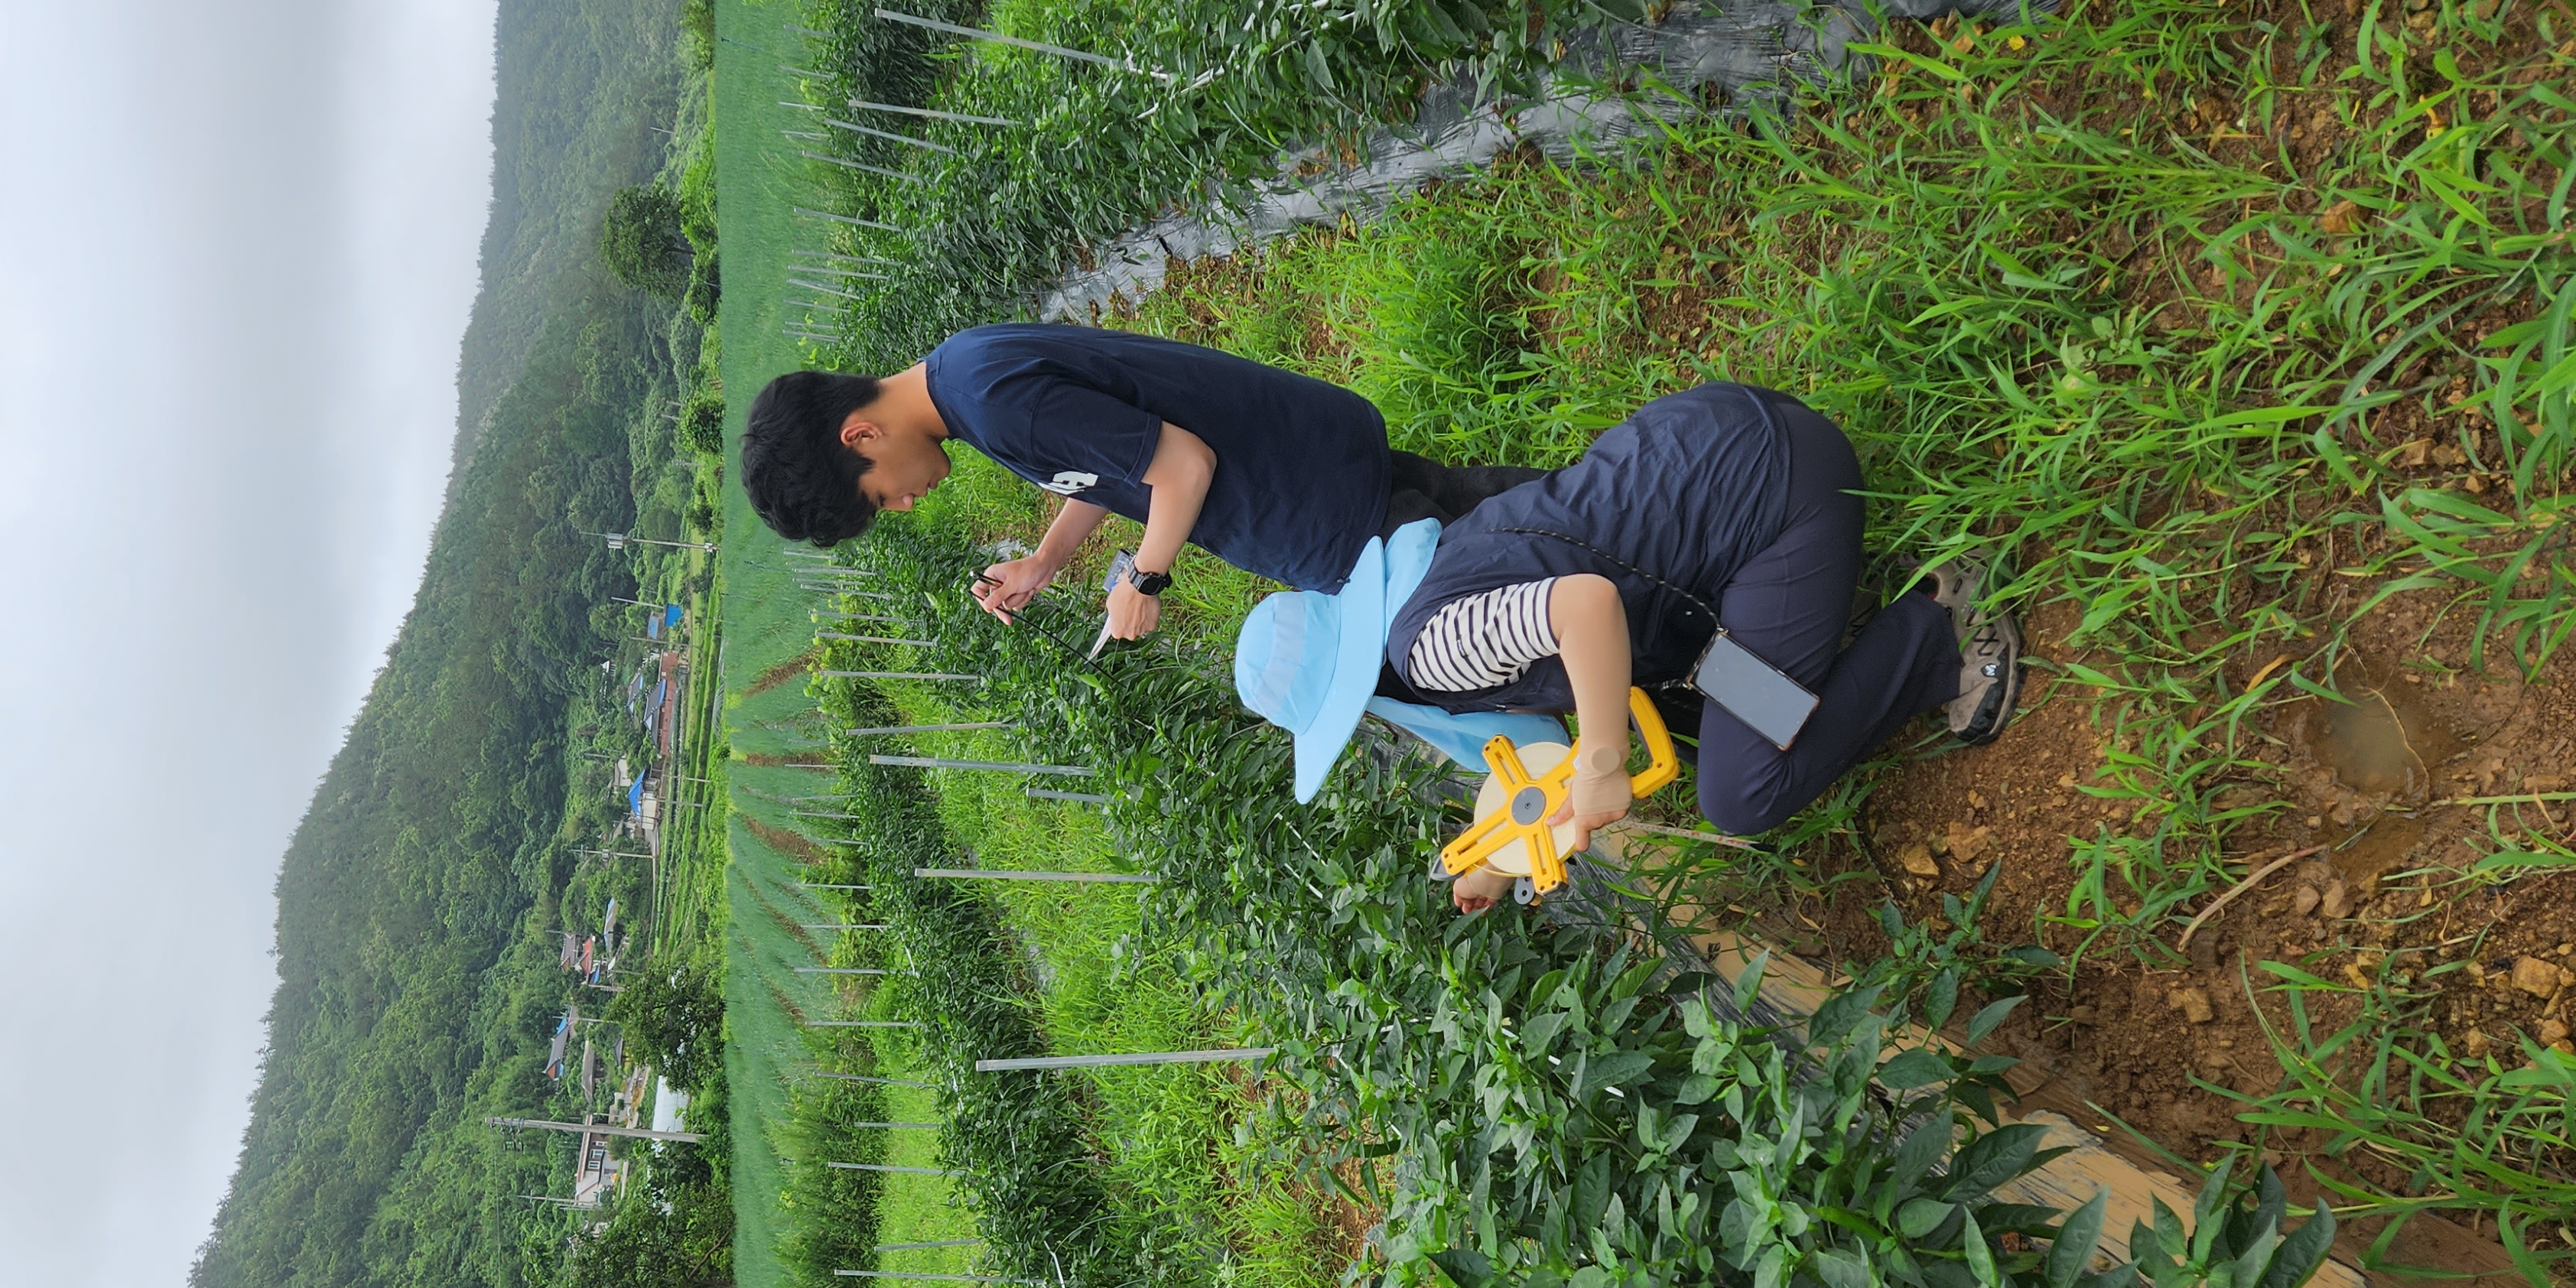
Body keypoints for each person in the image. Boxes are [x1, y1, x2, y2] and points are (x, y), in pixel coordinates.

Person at [1228, 382, 2023, 911]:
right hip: (1726, 432)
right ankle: (1846, 646)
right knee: (1744, 708)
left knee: (1739, 793)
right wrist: (1492, 861)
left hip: (1775, 497)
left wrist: (1605, 757)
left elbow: (1584, 608)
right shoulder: (1419, 573)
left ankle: (1935, 629)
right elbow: (1533, 725)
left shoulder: (1429, 651)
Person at [736, 323, 1542, 645]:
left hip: (1305, 499)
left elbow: (1181, 466)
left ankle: (1650, 611)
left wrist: (1144, 577)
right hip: (1310, 453)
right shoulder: (963, 380)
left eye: (883, 495)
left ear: (860, 436)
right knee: (1509, 517)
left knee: (1496, 611)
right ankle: (1657, 495)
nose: (907, 502)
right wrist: (1045, 561)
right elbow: (1112, 458)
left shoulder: (991, 403)